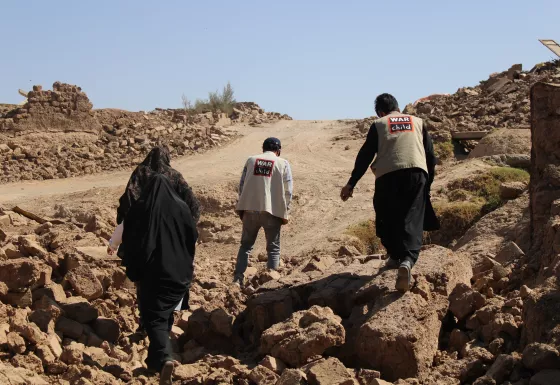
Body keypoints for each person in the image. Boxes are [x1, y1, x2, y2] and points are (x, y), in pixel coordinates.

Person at [340, 93, 439, 292]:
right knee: (412, 218)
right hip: (416, 172)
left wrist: (351, 183)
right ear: (398, 108)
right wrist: (427, 184)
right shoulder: (418, 122)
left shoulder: (379, 124)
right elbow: (430, 156)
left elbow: (365, 156)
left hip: (387, 176)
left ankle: (395, 255)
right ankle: (407, 261)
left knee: (386, 216)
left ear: (380, 112)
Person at [120, 173, 198, 385]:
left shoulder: (141, 208)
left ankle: (164, 358)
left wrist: (133, 268)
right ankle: (155, 362)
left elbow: (130, 240)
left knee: (153, 317)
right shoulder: (182, 208)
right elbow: (193, 237)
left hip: (153, 273)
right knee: (165, 314)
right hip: (179, 273)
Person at [233, 137, 293, 286]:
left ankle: (238, 279)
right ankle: (271, 284)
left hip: (249, 210)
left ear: (263, 149)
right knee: (273, 248)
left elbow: (241, 185)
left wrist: (244, 205)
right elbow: (288, 191)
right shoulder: (283, 163)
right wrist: (285, 211)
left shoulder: (251, 160)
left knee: (245, 246)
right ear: (278, 151)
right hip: (272, 212)